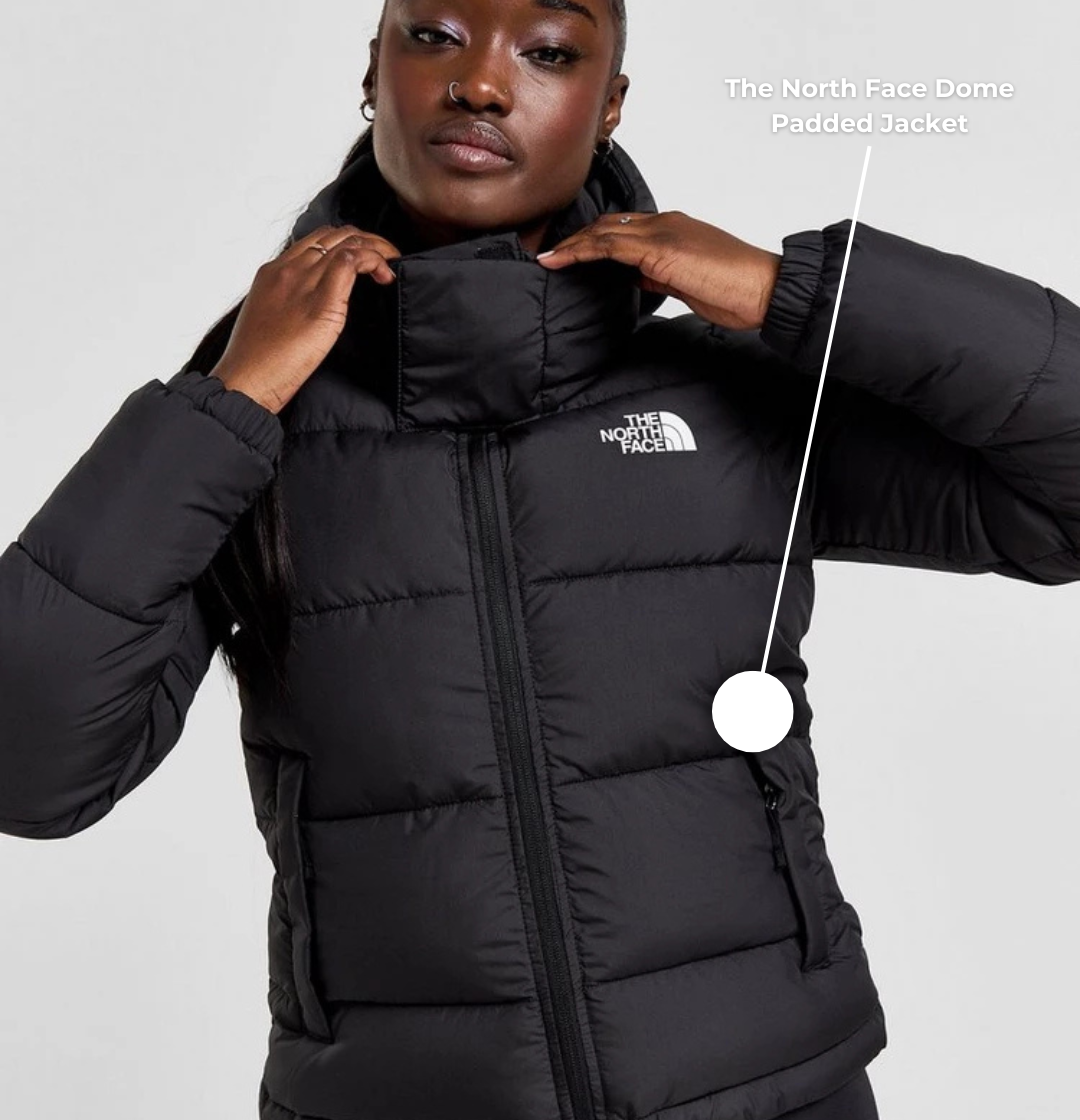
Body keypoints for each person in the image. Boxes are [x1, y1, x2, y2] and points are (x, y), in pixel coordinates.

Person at [2, 2, 1078, 1118]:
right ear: (372, 73)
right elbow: (28, 772)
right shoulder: (247, 438)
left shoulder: (731, 395)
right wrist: (227, 401)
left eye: (550, 53)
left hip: (770, 1089)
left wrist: (792, 293)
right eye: (433, 36)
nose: (480, 83)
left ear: (609, 107)